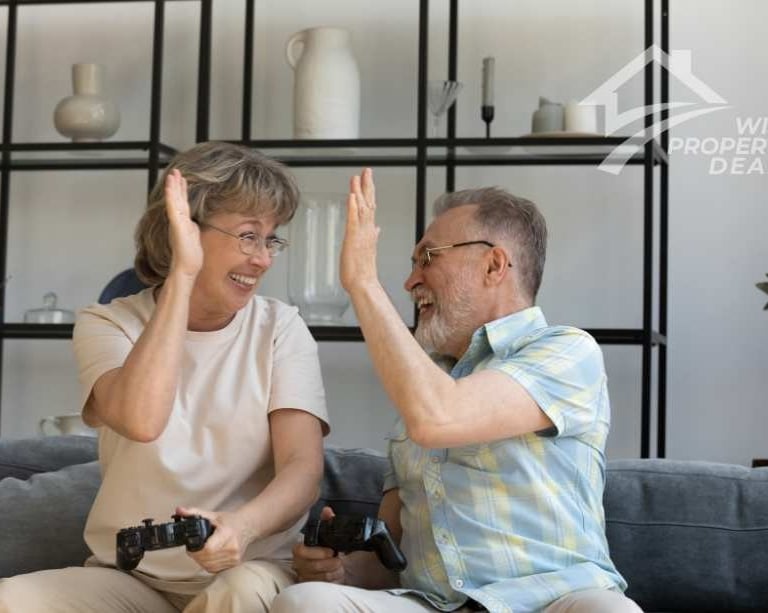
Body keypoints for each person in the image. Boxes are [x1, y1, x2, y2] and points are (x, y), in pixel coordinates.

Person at [271, 169, 641, 613]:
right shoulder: (423, 381)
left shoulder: (566, 352)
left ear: (494, 265)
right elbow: (392, 558)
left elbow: (438, 419)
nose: (411, 282)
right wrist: (341, 571)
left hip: (555, 601)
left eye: (428, 258)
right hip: (434, 604)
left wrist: (364, 284)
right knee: (304, 601)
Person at [0, 142, 329, 613]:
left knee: (237, 595)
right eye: (248, 236)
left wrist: (244, 528)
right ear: (183, 232)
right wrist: (183, 276)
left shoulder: (281, 329)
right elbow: (141, 419)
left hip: (245, 569)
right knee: (12, 600)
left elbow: (303, 467)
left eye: (271, 239)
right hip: (132, 579)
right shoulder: (108, 323)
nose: (263, 259)